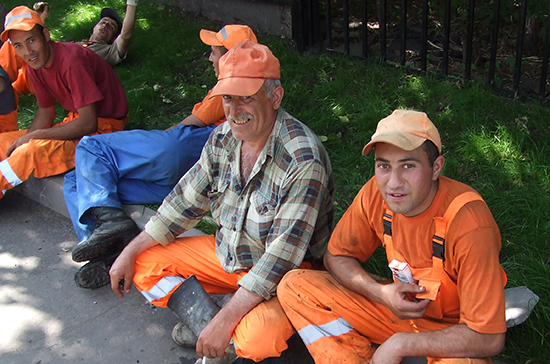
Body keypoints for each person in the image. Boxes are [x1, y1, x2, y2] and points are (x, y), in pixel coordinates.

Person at [109, 40, 334, 363]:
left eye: (246, 98)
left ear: (275, 97)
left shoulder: (302, 161)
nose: (233, 109)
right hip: (230, 255)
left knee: (257, 340)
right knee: (142, 265)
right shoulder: (222, 138)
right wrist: (128, 251)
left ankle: (222, 329)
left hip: (287, 277)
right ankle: (212, 333)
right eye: (228, 97)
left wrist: (224, 322)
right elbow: (182, 202)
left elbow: (279, 262)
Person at [277, 109, 507, 364]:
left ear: (436, 168)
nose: (393, 183)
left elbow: (488, 338)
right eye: (384, 166)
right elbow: (337, 256)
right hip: (393, 313)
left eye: (408, 166)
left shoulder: (470, 224)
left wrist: (401, 344)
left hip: (455, 336)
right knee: (294, 286)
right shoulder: (376, 194)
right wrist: (379, 293)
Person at [65, 24, 258, 291]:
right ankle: (107, 248)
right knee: (76, 181)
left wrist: (150, 143)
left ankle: (108, 230)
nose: (210, 58)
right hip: (191, 179)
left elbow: (186, 128)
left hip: (190, 148)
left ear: (230, 58)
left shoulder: (229, 88)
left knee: (90, 147)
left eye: (214, 52)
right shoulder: (249, 94)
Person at [0, 6, 128, 200]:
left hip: (104, 131)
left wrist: (34, 138)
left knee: (29, 152)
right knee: (5, 143)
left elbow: (88, 123)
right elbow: (46, 112)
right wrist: (26, 138)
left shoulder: (71, 61)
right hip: (76, 121)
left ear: (45, 34)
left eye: (31, 40)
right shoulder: (37, 65)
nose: (27, 52)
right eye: (18, 46)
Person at [0, 1, 137, 132]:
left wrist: (132, 3)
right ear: (94, 26)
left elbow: (125, 36)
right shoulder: (65, 47)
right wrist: (26, 141)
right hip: (45, 75)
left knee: (28, 151)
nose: (105, 25)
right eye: (103, 22)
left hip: (100, 123)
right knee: (12, 146)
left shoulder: (104, 51)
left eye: (111, 27)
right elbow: (46, 111)